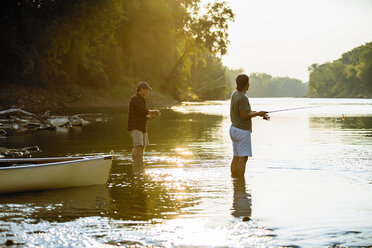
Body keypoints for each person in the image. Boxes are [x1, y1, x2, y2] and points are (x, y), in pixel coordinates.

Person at [229, 74, 268, 177]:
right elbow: (244, 115)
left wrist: (259, 113)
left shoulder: (234, 94)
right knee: (243, 157)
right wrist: (258, 113)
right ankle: (240, 181)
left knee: (236, 157)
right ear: (246, 84)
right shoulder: (243, 98)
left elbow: (245, 111)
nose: (249, 84)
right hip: (242, 131)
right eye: (248, 82)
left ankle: (235, 180)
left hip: (234, 129)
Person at [127, 82, 160, 165]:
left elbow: (141, 113)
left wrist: (148, 118)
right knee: (138, 146)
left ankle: (139, 164)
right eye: (146, 90)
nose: (147, 92)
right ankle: (135, 164)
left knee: (142, 146)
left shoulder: (141, 99)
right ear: (141, 89)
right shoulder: (135, 99)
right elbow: (143, 110)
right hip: (135, 127)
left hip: (142, 127)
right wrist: (155, 111)